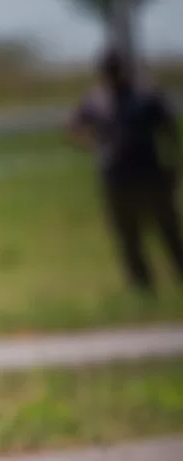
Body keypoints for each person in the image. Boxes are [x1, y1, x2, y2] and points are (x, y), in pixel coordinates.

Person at [69, 48, 182, 291]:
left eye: (116, 68)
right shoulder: (96, 100)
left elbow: (169, 128)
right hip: (116, 177)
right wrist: (95, 146)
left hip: (151, 173)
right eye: (108, 69)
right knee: (128, 234)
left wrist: (173, 164)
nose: (113, 73)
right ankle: (142, 285)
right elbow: (74, 128)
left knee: (168, 228)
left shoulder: (146, 96)